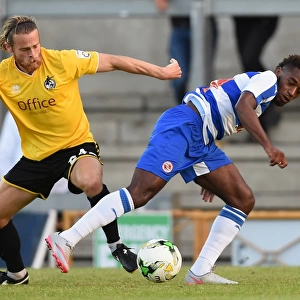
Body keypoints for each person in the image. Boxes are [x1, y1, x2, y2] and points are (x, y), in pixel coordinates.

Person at [46, 54, 300, 284]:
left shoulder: (264, 95)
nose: (292, 92)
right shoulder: (267, 79)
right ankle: (67, 238)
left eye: (298, 91)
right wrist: (268, 146)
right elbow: (242, 106)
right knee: (140, 193)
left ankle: (200, 271)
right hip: (184, 126)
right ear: (279, 71)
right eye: (291, 82)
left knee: (242, 199)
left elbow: (222, 107)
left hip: (202, 139)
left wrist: (209, 177)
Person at [0, 15, 181, 285]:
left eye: (36, 46)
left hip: (75, 145)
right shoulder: (4, 74)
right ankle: (17, 274)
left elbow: (116, 61)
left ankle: (116, 245)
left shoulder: (62, 61)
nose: (33, 54)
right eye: (25, 50)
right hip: (36, 157)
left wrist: (161, 72)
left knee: (91, 180)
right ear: (8, 48)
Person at [154, 0, 218, 104]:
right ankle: (183, 111)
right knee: (178, 79)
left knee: (203, 78)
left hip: (204, 24)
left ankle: (202, 114)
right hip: (180, 26)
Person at [233, 16, 282, 140]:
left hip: (263, 16)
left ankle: (273, 93)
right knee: (248, 67)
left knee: (249, 59)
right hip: (240, 16)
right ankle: (260, 127)